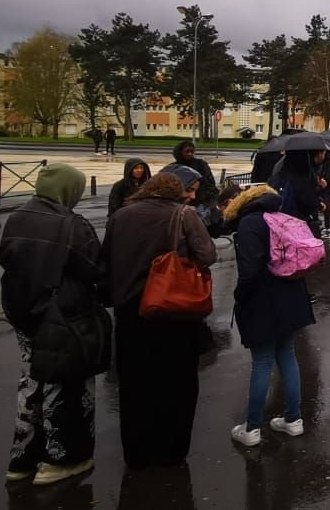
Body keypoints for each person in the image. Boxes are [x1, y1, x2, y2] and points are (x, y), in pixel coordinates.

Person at [0, 163, 105, 485]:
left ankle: (21, 461)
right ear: (69, 190)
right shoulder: (73, 225)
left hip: (22, 315)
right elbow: (94, 269)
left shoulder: (17, 217)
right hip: (61, 318)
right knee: (66, 385)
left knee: (31, 382)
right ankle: (61, 461)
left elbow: (5, 257)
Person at [102, 171, 217, 467]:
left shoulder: (122, 215)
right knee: (176, 381)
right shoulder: (183, 215)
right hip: (171, 308)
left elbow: (107, 258)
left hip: (130, 310)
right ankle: (172, 449)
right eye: (190, 190)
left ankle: (137, 451)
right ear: (175, 191)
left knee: (135, 383)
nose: (191, 196)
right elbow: (207, 254)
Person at [226, 185, 316, 447]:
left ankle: (252, 428)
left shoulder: (250, 223)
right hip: (292, 295)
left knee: (263, 362)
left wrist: (240, 297)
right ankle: (293, 420)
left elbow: (250, 270)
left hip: (264, 300)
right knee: (287, 356)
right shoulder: (282, 217)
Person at [169, 140, 217, 205]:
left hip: (201, 201)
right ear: (179, 152)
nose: (190, 154)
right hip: (178, 201)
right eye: (187, 151)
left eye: (192, 151)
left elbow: (209, 182)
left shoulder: (201, 164)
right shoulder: (173, 167)